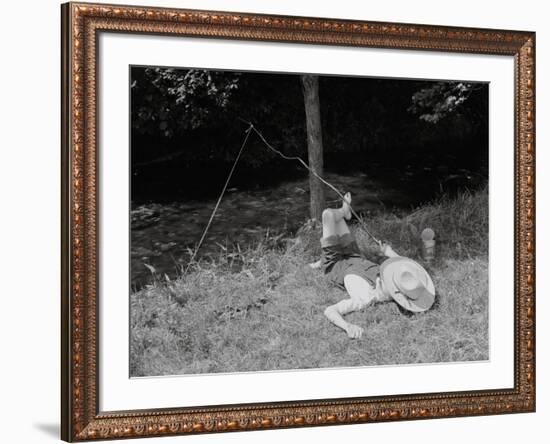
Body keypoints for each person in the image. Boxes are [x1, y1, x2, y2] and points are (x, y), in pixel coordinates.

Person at [310, 192, 436, 339]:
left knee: (328, 215)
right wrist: (389, 252)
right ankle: (343, 214)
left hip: (334, 264)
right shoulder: (392, 281)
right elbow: (405, 266)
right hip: (353, 254)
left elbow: (330, 310)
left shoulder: (365, 297)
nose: (389, 274)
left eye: (390, 278)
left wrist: (347, 326)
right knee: (336, 221)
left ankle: (343, 215)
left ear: (394, 291)